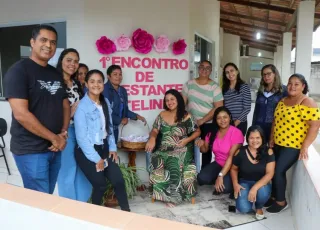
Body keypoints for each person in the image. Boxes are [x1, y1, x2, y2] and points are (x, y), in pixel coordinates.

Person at [4, 25, 70, 194]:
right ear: (32, 42)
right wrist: (54, 138)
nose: (48, 45)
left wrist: (63, 132)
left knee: (47, 195)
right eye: (44, 40)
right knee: (39, 200)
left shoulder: (55, 74)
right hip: (31, 150)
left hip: (54, 148)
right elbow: (21, 114)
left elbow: (64, 103)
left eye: (53, 42)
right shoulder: (18, 71)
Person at [74, 69, 130, 211]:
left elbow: (109, 129)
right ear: (86, 84)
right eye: (92, 81)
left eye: (99, 81)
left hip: (104, 148)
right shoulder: (81, 107)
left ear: (103, 84)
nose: (96, 84)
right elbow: (81, 138)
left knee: (118, 180)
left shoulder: (105, 102)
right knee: (100, 185)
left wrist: (112, 148)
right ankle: (95, 215)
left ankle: (127, 213)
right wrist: (96, 158)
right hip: (87, 151)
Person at [266, 74, 320, 213]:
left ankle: (281, 201)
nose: (292, 86)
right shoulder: (283, 100)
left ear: (303, 86)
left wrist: (305, 146)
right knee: (271, 169)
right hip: (277, 143)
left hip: (293, 146)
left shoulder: (307, 102)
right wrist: (271, 138)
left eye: (296, 84)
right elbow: (275, 121)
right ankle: (273, 196)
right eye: (290, 83)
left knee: (279, 171)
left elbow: (315, 126)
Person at [145, 89, 200, 207]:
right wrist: (152, 138)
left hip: (182, 147)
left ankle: (174, 197)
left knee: (174, 159)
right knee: (156, 158)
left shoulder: (186, 116)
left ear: (178, 100)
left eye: (172, 99)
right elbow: (155, 130)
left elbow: (197, 132)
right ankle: (161, 193)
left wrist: (187, 140)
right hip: (164, 148)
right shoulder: (161, 114)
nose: (169, 102)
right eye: (167, 100)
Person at [56, 48, 92, 202]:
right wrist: (69, 113)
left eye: (75, 61)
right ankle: (68, 209)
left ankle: (82, 206)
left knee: (83, 169)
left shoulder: (77, 83)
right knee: (67, 170)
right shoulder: (55, 82)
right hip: (66, 131)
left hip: (82, 132)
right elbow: (49, 111)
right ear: (61, 61)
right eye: (69, 60)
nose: (72, 64)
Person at [182, 60, 224, 171]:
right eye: (202, 67)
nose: (204, 70)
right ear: (198, 68)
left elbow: (218, 107)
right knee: (190, 146)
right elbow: (182, 103)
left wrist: (202, 120)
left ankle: (204, 172)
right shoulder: (189, 84)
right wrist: (187, 118)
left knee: (206, 148)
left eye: (207, 68)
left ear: (210, 70)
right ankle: (190, 172)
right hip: (191, 122)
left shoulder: (215, 87)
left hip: (209, 123)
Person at [196, 107, 244, 195]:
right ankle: (218, 179)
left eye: (225, 117)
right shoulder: (212, 132)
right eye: (219, 118)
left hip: (232, 166)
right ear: (215, 120)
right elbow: (204, 150)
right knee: (201, 178)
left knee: (224, 188)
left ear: (229, 117)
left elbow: (231, 157)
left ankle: (230, 179)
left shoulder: (236, 133)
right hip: (218, 163)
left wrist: (220, 175)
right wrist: (202, 143)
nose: (222, 120)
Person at [231, 126, 275, 220]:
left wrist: (255, 188)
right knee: (243, 209)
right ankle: (248, 201)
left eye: (258, 138)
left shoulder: (269, 152)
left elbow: (270, 174)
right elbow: (234, 169)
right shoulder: (240, 152)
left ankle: (259, 206)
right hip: (244, 182)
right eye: (251, 138)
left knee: (262, 192)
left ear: (262, 138)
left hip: (262, 183)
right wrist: (235, 184)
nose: (255, 141)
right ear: (247, 139)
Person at [103, 65, 146, 142]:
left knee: (113, 152)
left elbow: (124, 110)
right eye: (115, 74)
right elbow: (104, 112)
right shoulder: (104, 89)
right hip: (103, 129)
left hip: (115, 129)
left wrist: (136, 116)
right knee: (104, 153)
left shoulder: (122, 91)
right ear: (108, 76)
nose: (118, 77)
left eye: (120, 74)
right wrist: (120, 120)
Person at [252, 64, 287, 143]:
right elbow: (256, 111)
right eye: (264, 75)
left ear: (275, 74)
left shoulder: (283, 90)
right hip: (259, 126)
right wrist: (253, 127)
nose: (266, 77)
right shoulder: (261, 90)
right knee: (259, 151)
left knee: (272, 152)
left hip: (275, 127)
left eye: (269, 74)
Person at [222, 63, 251, 136]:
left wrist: (235, 123)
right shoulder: (224, 88)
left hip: (240, 123)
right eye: (227, 72)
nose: (230, 74)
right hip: (226, 123)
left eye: (232, 71)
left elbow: (247, 108)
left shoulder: (244, 86)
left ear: (237, 71)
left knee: (237, 146)